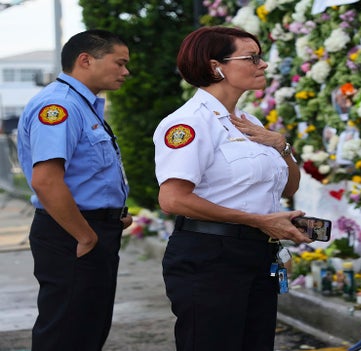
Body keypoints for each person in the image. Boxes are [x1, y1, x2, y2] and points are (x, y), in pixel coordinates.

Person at [153, 26, 312, 351]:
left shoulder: (247, 120)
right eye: (251, 57)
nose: (263, 64)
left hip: (255, 253)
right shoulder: (188, 123)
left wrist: (282, 145)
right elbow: (172, 199)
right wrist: (257, 220)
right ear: (216, 67)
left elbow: (289, 187)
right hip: (210, 257)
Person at [16, 29, 133, 351]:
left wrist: (111, 215)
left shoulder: (82, 104)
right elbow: (46, 180)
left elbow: (86, 175)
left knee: (87, 328)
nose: (126, 72)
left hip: (90, 226)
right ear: (85, 60)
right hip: (71, 231)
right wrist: (85, 235)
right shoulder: (59, 105)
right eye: (119, 63)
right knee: (67, 332)